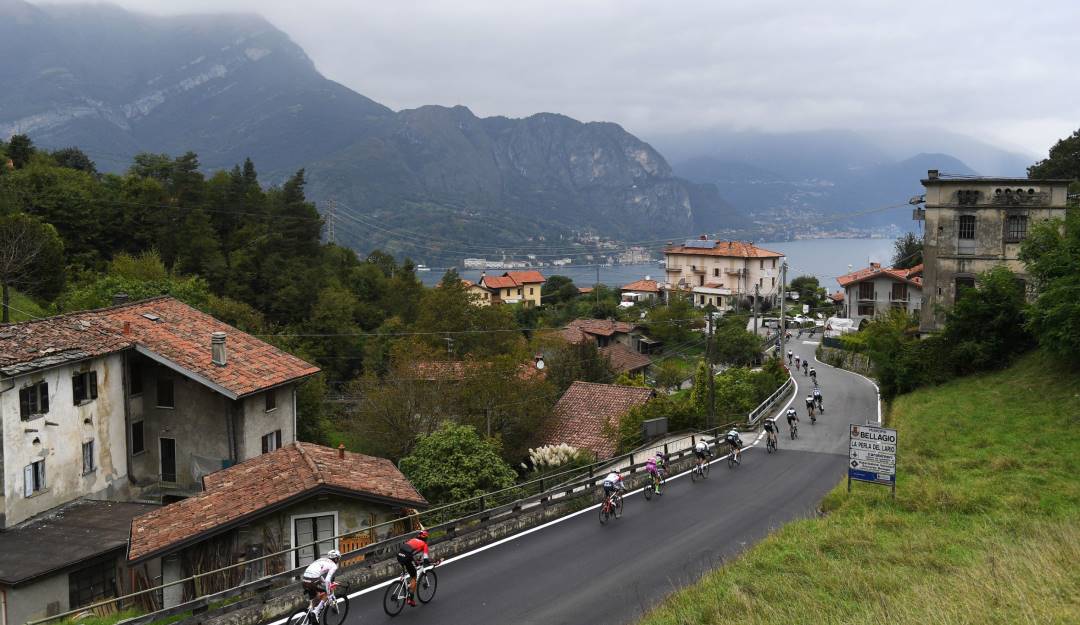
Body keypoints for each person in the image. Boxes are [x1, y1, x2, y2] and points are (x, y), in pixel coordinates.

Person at [301, 549, 341, 617]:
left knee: (316, 596)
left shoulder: (322, 559)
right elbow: (328, 580)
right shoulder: (333, 565)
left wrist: (324, 582)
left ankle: (310, 611)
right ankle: (316, 612)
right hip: (313, 580)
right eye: (338, 558)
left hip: (304, 580)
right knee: (329, 591)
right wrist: (328, 592)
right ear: (336, 559)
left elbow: (319, 574)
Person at [397, 530, 431, 607]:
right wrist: (429, 562)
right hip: (406, 557)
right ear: (426, 538)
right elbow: (426, 559)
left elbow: (410, 552)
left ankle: (404, 581)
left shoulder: (413, 540)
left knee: (408, 566)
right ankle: (410, 599)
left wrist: (415, 561)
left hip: (399, 555)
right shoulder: (424, 544)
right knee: (414, 576)